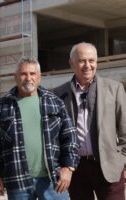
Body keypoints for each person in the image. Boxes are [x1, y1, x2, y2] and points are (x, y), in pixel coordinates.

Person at [0, 57, 80, 200]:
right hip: (18, 182)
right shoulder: (0, 107)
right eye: (23, 74)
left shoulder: (55, 103)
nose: (28, 78)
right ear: (15, 77)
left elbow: (70, 137)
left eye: (32, 74)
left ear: (39, 77)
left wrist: (68, 168)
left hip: (53, 180)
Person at [54, 42, 126, 200]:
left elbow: (124, 131)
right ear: (71, 63)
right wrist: (63, 165)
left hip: (109, 166)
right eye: (82, 61)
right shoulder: (58, 94)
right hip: (76, 168)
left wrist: (121, 160)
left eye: (91, 60)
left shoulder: (114, 89)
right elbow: (56, 136)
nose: (87, 65)